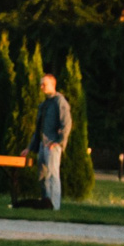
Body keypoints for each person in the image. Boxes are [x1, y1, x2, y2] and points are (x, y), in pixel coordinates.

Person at [33, 73, 73, 211]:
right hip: (43, 144)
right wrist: (31, 147)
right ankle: (45, 202)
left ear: (52, 84)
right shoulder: (45, 104)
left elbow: (66, 123)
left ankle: (55, 205)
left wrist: (59, 142)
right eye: (41, 84)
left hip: (52, 145)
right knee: (42, 175)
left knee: (53, 175)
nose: (41, 87)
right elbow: (39, 128)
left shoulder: (59, 101)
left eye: (44, 84)